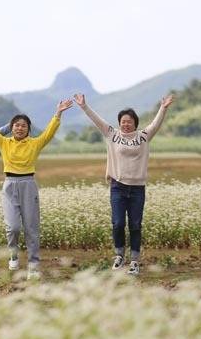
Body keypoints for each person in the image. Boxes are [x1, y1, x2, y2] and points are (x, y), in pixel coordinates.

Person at [73, 93, 174, 275]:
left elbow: (156, 124)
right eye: (123, 121)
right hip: (118, 186)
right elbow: (98, 121)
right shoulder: (112, 134)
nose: (125, 124)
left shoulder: (144, 136)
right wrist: (84, 106)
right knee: (118, 223)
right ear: (119, 123)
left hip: (137, 189)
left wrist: (163, 108)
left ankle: (134, 261)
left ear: (135, 122)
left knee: (135, 224)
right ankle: (119, 256)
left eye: (129, 121)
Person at [0, 89, 74, 280]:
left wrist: (58, 114)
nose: (19, 128)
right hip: (10, 185)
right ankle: (13, 255)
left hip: (29, 184)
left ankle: (33, 264)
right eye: (16, 125)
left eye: (23, 126)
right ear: (12, 128)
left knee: (31, 227)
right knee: (13, 227)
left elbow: (49, 132)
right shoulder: (4, 142)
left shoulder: (35, 144)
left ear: (28, 129)